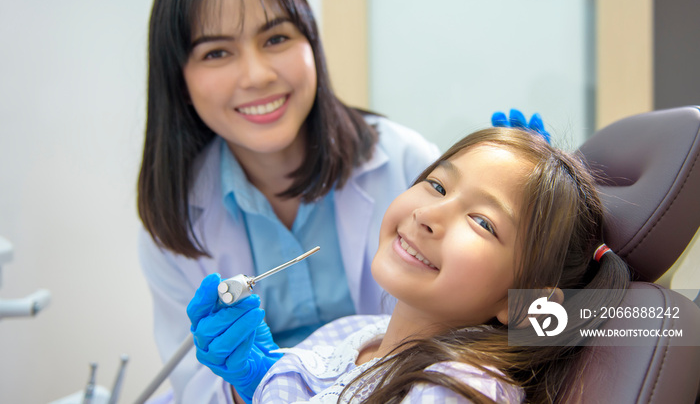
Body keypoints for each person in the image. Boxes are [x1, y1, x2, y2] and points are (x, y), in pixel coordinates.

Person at [137, 0, 547, 401]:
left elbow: (592, 325)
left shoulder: (405, 160)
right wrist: (248, 384)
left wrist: (543, 228)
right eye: (216, 52)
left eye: (276, 38)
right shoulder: (176, 223)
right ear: (179, 79)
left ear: (312, 41)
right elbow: (193, 387)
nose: (256, 75)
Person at [187, 127, 630, 403]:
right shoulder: (352, 334)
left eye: (481, 222)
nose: (428, 215)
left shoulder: (457, 389)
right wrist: (260, 378)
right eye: (436, 185)